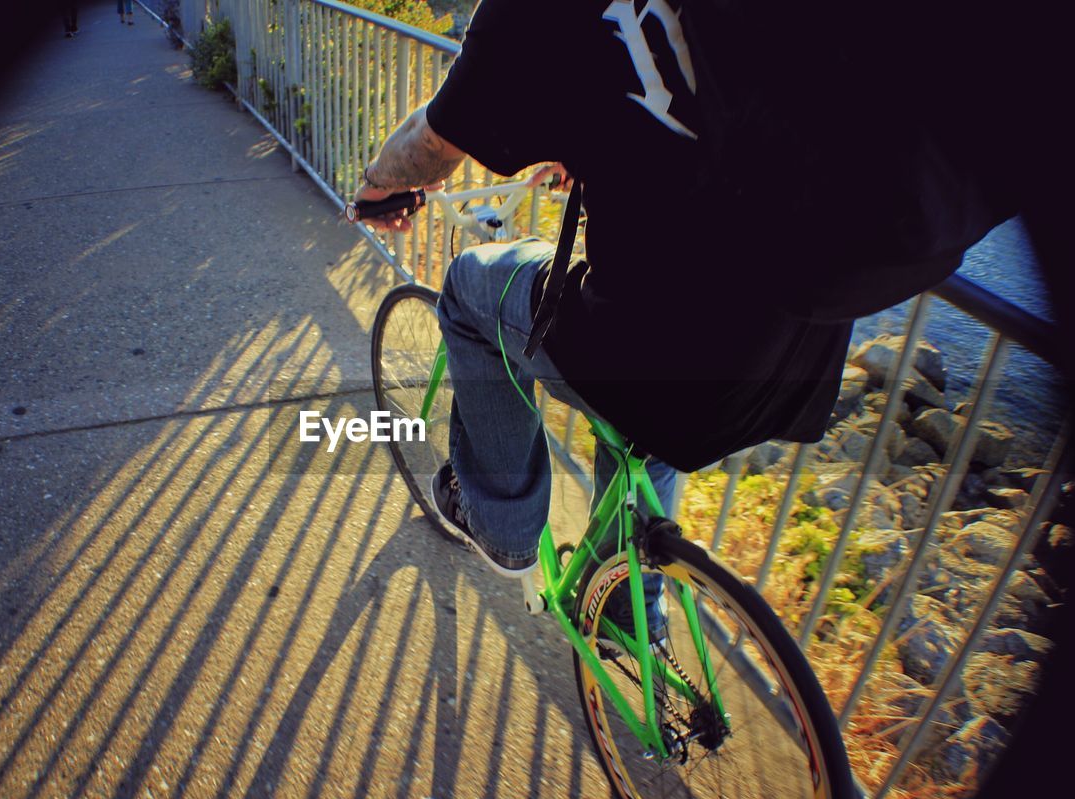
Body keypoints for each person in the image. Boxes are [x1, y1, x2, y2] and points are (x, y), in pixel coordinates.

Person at [352, 0, 866, 587]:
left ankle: (503, 527)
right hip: (796, 359)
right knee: (660, 414)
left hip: (654, 348)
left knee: (470, 284)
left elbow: (432, 138)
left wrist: (372, 189)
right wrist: (595, 143)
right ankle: (632, 616)